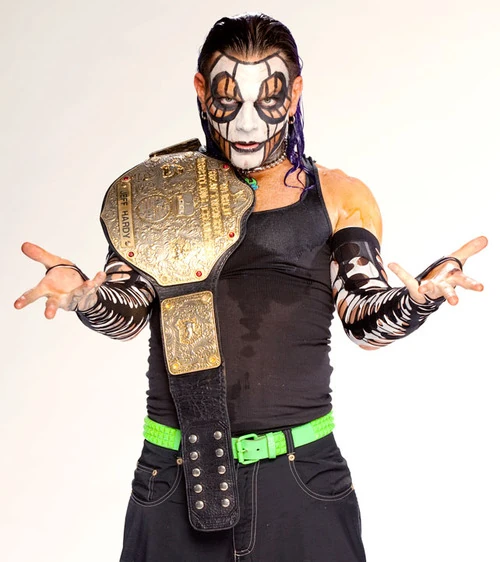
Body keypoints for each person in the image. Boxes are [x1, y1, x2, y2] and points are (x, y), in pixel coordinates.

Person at [14, 13, 487, 562]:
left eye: (267, 98)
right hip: (176, 478)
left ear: (295, 92)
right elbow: (129, 312)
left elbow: (364, 317)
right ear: (201, 88)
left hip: (302, 481)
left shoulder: (337, 195)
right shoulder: (157, 194)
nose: (246, 122)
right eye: (228, 98)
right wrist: (85, 296)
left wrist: (417, 300)